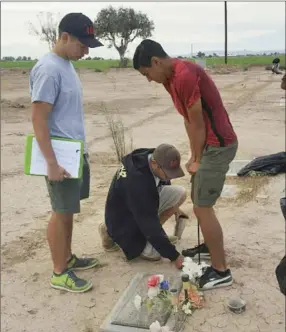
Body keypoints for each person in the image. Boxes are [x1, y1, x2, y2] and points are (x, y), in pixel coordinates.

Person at [132, 39, 238, 290]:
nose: (148, 79)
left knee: (202, 208)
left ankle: (222, 271)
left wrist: (199, 159)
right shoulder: (170, 80)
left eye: (147, 73)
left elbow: (199, 123)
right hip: (207, 145)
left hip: (218, 145)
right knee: (197, 196)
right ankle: (209, 247)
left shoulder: (184, 75)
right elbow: (188, 121)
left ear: (156, 62)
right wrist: (193, 157)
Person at [29, 13, 103, 293]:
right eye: (82, 45)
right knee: (60, 212)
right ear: (64, 37)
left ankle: (68, 257)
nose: (85, 51)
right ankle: (59, 271)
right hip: (59, 155)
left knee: (69, 209)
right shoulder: (48, 69)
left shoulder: (66, 65)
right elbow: (38, 118)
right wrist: (51, 162)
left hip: (74, 152)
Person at [98, 144, 188, 268]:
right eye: (167, 173)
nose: (169, 176)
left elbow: (163, 181)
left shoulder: (150, 155)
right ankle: (112, 232)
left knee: (180, 193)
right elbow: (149, 222)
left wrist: (176, 209)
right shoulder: (138, 184)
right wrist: (174, 256)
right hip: (124, 218)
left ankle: (154, 239)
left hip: (132, 206)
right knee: (155, 255)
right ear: (155, 163)